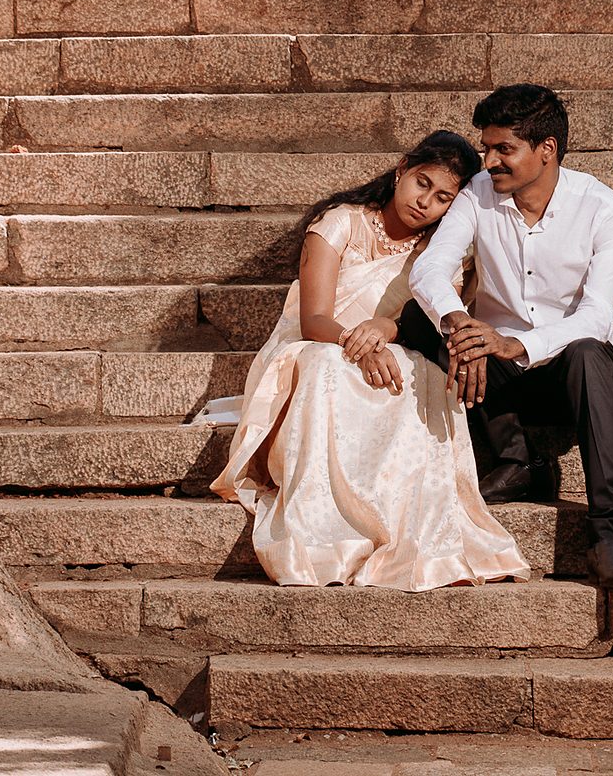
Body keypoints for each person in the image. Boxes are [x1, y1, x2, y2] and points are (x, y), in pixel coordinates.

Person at [209, 131, 530, 589]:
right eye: (421, 183)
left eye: (442, 198)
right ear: (401, 170)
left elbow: (430, 323)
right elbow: (313, 320)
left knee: (421, 374)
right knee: (326, 368)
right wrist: (358, 343)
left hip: (393, 347)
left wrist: (384, 333)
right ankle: (327, 530)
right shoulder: (340, 223)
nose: (425, 203)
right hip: (317, 345)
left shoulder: (440, 252)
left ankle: (393, 522)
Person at [402, 84, 613, 591]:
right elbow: (429, 270)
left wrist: (520, 344)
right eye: (486, 148)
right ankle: (520, 460)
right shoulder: (477, 194)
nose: (488, 161)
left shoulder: (602, 207)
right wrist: (461, 323)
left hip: (570, 377)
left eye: (503, 149)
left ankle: (608, 532)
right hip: (496, 373)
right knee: (424, 319)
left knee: (588, 352)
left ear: (546, 149)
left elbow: (597, 315)